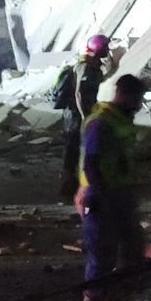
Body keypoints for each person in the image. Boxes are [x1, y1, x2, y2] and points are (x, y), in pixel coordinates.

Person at [75, 73, 146, 301]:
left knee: (132, 247)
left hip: (118, 194)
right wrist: (100, 194)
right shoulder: (101, 123)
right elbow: (91, 163)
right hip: (101, 197)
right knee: (102, 256)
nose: (139, 106)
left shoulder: (120, 120)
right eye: (137, 100)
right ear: (126, 95)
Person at [58, 34, 110, 199]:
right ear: (98, 49)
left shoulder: (93, 65)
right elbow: (79, 93)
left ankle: (82, 183)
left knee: (82, 147)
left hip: (82, 112)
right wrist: (84, 117)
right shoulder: (85, 67)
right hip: (75, 114)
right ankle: (68, 186)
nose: (108, 51)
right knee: (73, 148)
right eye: (105, 48)